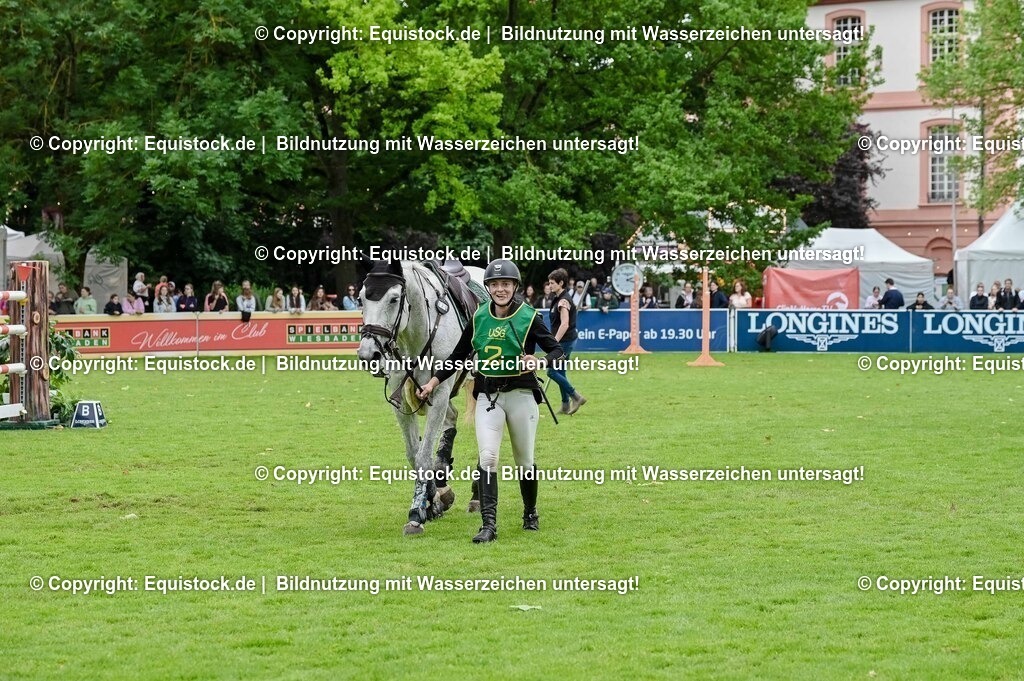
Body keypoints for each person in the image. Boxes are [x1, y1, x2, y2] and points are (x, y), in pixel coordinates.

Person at [416, 259, 564, 543]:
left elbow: (557, 351)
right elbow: (458, 356)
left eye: (505, 284)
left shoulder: (529, 317)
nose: (500, 289)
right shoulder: (480, 317)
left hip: (521, 395)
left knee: (525, 460)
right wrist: (434, 381)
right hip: (488, 396)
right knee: (488, 457)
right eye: (495, 285)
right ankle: (488, 526)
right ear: (488, 287)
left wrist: (540, 361)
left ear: (514, 287)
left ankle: (530, 512)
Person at [546, 268, 586, 415]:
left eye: (552, 283)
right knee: (561, 371)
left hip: (564, 342)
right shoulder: (559, 297)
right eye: (549, 283)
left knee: (551, 371)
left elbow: (564, 324)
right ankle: (565, 405)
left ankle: (576, 396)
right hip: (567, 340)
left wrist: (554, 342)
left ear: (561, 283)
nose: (549, 286)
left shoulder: (563, 300)